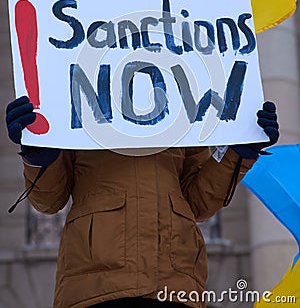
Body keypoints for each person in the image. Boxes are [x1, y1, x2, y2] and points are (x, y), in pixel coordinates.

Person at [6, 96, 279, 308]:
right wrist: (38, 152)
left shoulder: (182, 96)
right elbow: (48, 200)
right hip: (94, 286)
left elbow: (198, 202)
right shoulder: (71, 90)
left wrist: (235, 152)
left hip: (175, 285)